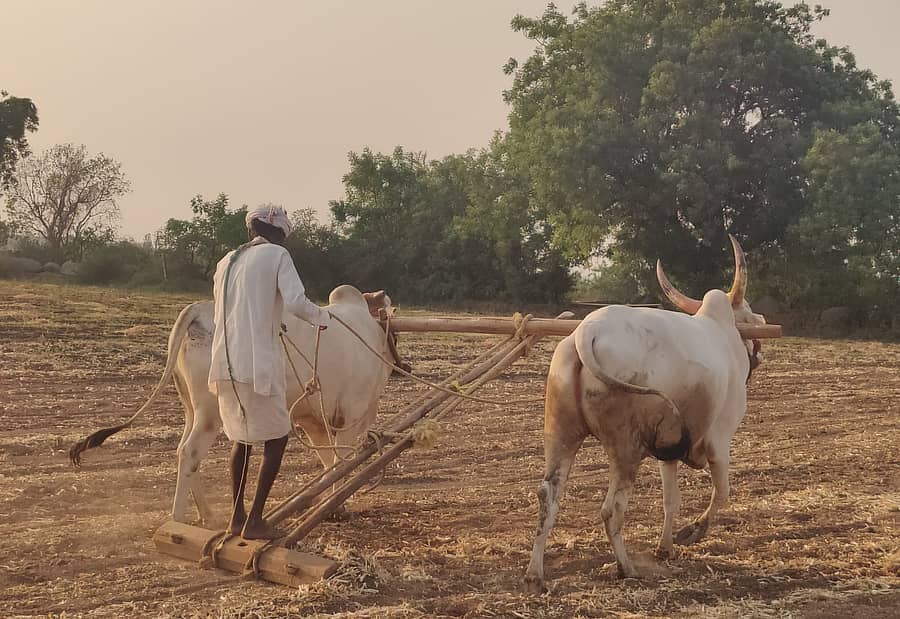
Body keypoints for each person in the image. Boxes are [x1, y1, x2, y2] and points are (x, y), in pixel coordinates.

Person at [208, 205, 330, 540]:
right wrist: (324, 318)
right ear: (278, 234)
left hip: (224, 364)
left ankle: (237, 518)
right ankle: (255, 521)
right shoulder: (277, 256)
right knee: (277, 438)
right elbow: (296, 302)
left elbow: (225, 310)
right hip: (256, 365)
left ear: (252, 230)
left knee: (242, 439)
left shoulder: (226, 261)